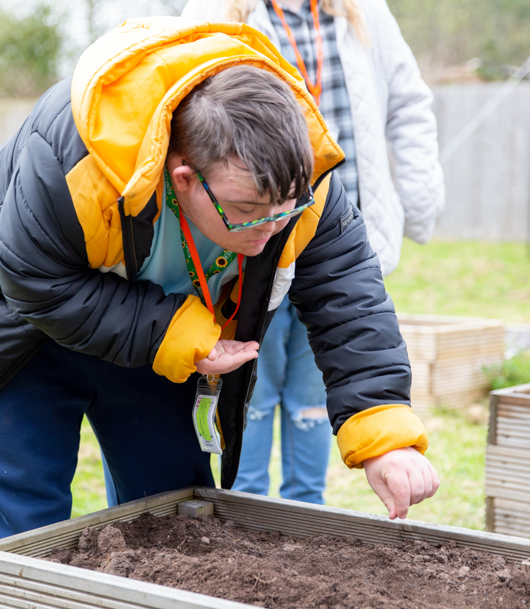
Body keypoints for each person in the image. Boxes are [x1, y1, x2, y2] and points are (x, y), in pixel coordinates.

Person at [0, 17, 439, 547]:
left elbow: (349, 301)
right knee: (24, 531)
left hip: (156, 336)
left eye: (286, 208)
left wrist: (383, 436)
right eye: (246, 211)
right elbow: (33, 279)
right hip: (14, 332)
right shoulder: (75, 160)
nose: (271, 227)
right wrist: (175, 333)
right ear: (183, 176)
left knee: (177, 527)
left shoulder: (301, 184)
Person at [181, 0, 445, 504]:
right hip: (252, 240)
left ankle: (305, 507)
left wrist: (419, 198)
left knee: (312, 396)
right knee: (249, 387)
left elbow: (408, 104)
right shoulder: (217, 8)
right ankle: (245, 502)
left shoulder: (364, 13)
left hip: (331, 230)